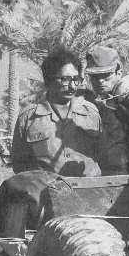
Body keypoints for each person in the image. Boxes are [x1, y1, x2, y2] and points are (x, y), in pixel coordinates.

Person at [11, 47, 102, 176]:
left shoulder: (91, 112)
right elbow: (19, 164)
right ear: (49, 80)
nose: (72, 86)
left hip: (88, 187)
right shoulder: (29, 117)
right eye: (65, 79)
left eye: (76, 79)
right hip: (47, 188)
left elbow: (103, 155)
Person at [85, 45, 129, 174]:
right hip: (104, 176)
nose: (100, 81)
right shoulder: (86, 105)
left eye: (106, 75)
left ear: (119, 72)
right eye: (95, 76)